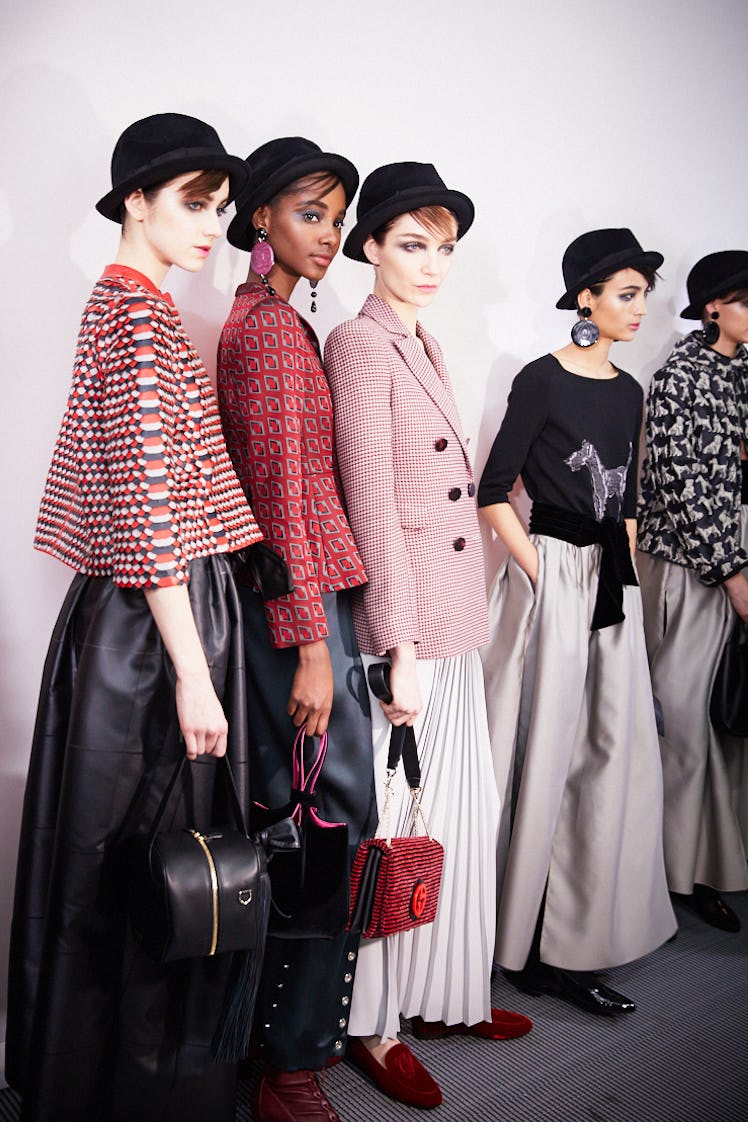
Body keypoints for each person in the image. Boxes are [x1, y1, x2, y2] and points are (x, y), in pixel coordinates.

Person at [5, 114, 261, 1122]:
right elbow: (151, 512)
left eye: (221, 206)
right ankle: (140, 1092)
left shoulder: (119, 303)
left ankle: (92, 1081)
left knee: (111, 865)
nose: (213, 224)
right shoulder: (139, 318)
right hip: (155, 631)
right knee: (156, 869)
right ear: (136, 201)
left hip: (124, 621)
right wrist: (196, 678)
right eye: (195, 202)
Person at [324, 162, 531, 1112]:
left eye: (445, 247)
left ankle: (444, 994)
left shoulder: (428, 341)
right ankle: (371, 1022)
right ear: (370, 246)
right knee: (395, 829)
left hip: (453, 623)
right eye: (413, 243)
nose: (433, 263)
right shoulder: (360, 346)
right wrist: (397, 648)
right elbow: (371, 507)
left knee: (452, 818)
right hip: (406, 637)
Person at [216, 136, 377, 1122]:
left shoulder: (259, 320)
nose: (329, 235)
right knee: (319, 830)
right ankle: (291, 1061)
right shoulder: (271, 333)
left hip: (303, 605)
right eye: (309, 213)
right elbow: (280, 496)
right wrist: (314, 642)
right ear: (261, 218)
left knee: (298, 825)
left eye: (335, 217)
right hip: (302, 615)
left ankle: (275, 1046)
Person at [479, 228, 677, 1017]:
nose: (639, 310)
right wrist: (543, 574)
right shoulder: (541, 380)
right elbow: (495, 490)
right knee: (547, 753)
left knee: (612, 753)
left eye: (643, 295)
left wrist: (620, 583)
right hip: (554, 578)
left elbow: (626, 500)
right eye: (625, 294)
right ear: (585, 297)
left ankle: (576, 936)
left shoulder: (630, 391)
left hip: (611, 584)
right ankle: (522, 941)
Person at [637, 250, 748, 932]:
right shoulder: (680, 375)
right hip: (691, 565)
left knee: (732, 722)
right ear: (714, 306)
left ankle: (721, 862)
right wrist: (731, 574)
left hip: (732, 553)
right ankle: (680, 873)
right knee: (686, 722)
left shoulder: (740, 371)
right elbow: (683, 485)